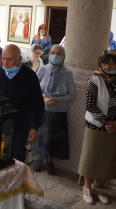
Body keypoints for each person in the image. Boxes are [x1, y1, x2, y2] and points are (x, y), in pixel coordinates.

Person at [78, 50, 116, 205]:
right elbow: (90, 105)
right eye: (104, 63)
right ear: (100, 63)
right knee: (92, 157)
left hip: (115, 127)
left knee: (106, 158)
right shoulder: (95, 79)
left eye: (111, 63)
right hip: (96, 126)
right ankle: (87, 187)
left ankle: (97, 186)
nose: (107, 67)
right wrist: (107, 123)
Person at [0, 44, 45, 162]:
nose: (5, 62)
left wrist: (35, 127)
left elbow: (38, 104)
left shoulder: (29, 76)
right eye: (3, 59)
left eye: (9, 59)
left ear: (19, 60)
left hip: (20, 127)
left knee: (16, 160)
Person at [32, 45, 75, 175]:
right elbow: (34, 89)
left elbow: (71, 94)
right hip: (42, 109)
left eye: (59, 53)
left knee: (54, 138)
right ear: (49, 54)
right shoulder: (42, 69)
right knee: (40, 135)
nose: (55, 55)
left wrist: (58, 100)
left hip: (59, 111)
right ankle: (38, 159)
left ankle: (50, 161)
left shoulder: (68, 73)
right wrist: (44, 97)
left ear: (63, 56)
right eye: (53, 53)